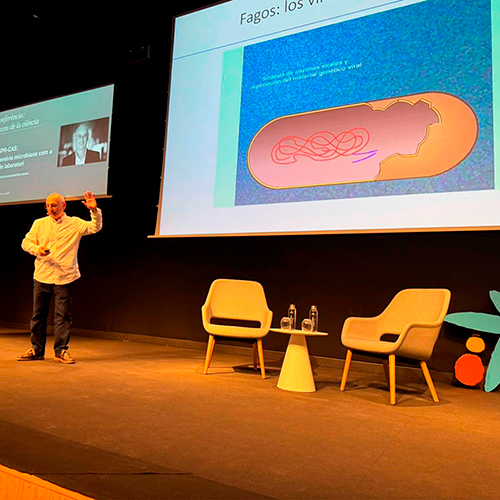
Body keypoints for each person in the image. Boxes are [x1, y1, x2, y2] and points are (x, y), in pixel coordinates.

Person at [17, 191, 103, 364]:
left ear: (63, 206)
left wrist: (94, 211)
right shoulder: (39, 223)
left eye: (54, 205)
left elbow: (95, 227)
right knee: (38, 315)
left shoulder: (74, 223)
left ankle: (61, 350)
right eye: (48, 205)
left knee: (62, 316)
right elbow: (25, 243)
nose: (50, 208)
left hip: (65, 276)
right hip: (43, 275)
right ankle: (36, 349)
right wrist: (37, 250)